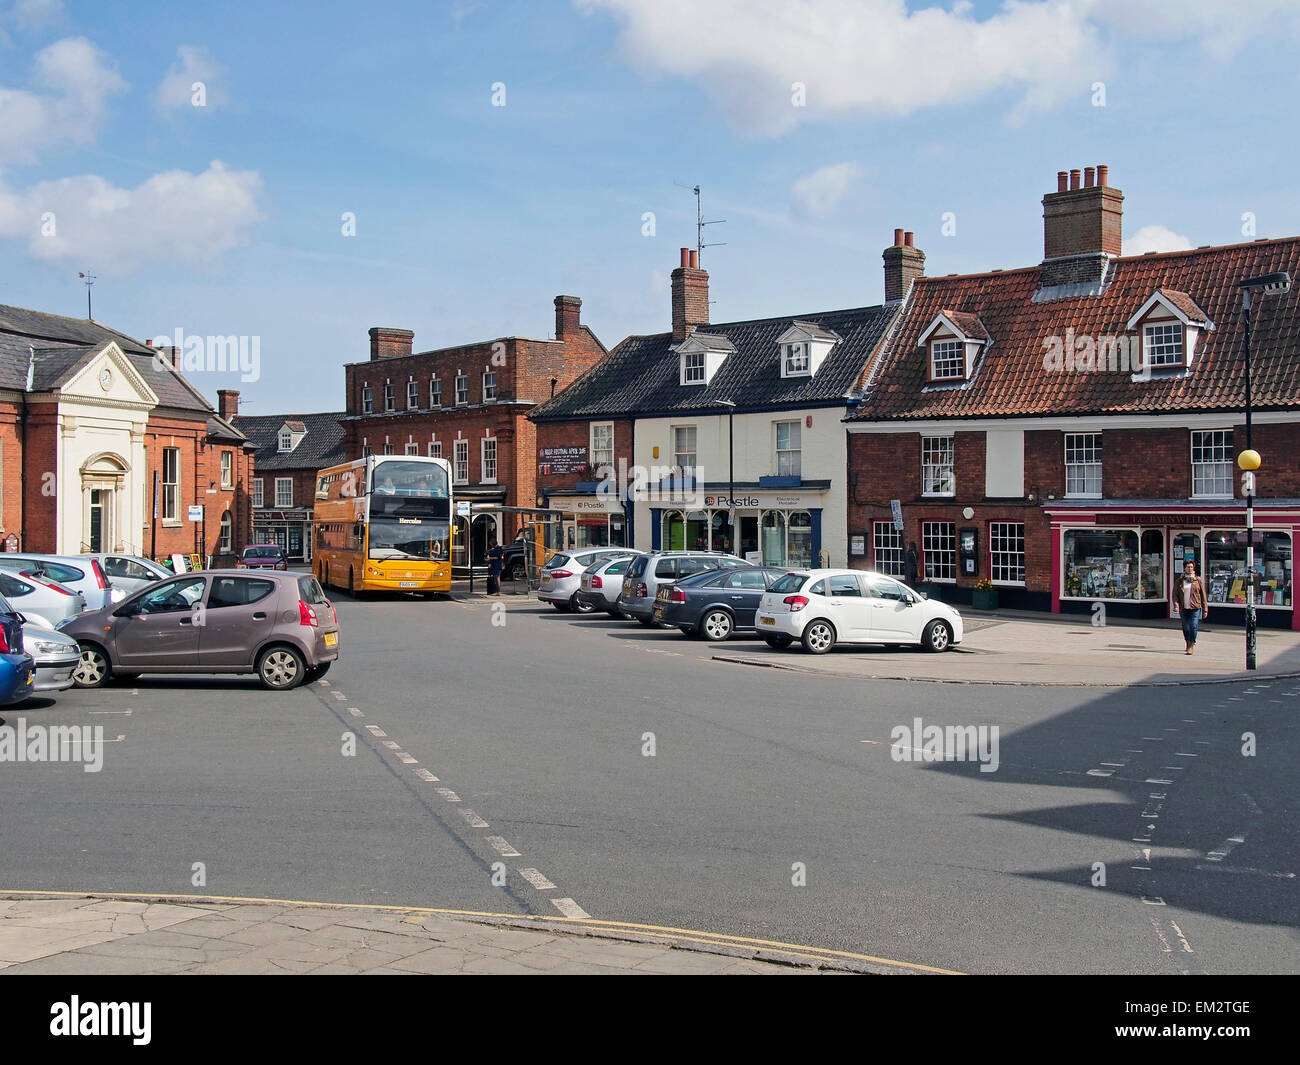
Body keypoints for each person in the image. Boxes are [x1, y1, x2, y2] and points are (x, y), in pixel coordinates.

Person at [1172, 560, 1209, 655]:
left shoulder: (1198, 580)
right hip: (1183, 608)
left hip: (1195, 607)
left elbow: (1203, 595)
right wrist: (1176, 605)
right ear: (1184, 568)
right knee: (1186, 627)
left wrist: (1205, 609)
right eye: (1188, 567)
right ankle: (1187, 642)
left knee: (1193, 626)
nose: (1190, 569)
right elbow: (1175, 595)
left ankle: (1192, 644)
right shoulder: (1179, 581)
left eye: (1191, 567)